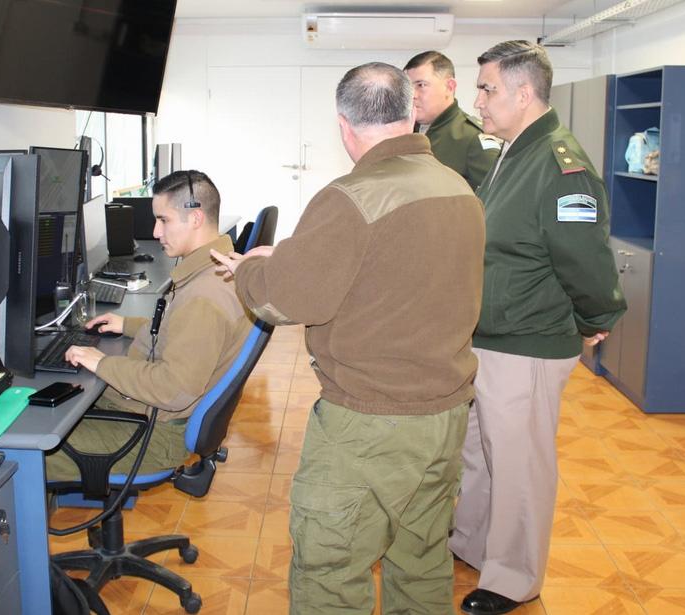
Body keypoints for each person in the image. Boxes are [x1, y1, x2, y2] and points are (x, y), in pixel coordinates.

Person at [211, 62, 485, 615]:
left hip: (370, 424)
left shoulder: (350, 196)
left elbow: (284, 303)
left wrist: (251, 268)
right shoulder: (456, 188)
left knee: (330, 570)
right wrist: (291, 256)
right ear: (410, 114)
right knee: (422, 560)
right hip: (445, 414)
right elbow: (392, 270)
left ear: (344, 125)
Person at [449, 41, 627, 615]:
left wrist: (596, 319)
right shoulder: (513, 152)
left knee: (519, 463)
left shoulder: (558, 165)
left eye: (487, 89)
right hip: (491, 336)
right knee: (481, 453)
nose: (478, 101)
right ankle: (474, 545)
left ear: (524, 93)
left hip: (527, 341)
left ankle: (513, 579)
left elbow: (586, 260)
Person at [45, 170, 253, 481]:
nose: (156, 232)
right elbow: (181, 332)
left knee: (28, 450)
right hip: (158, 415)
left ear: (195, 218)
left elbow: (174, 389)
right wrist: (128, 324)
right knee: (56, 406)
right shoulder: (220, 269)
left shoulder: (204, 297)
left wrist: (101, 362)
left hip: (157, 434)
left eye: (163, 220)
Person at [404, 50, 501, 191]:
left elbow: (498, 195)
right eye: (408, 87)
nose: (413, 95)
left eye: (421, 85)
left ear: (450, 87)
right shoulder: (406, 134)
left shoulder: (473, 139)